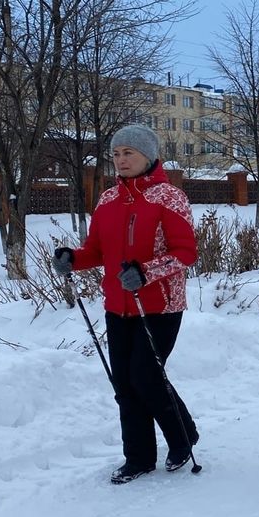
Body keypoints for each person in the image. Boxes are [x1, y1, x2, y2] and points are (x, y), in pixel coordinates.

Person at [51, 124, 199, 484]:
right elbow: (98, 251)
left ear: (147, 156)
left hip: (160, 306)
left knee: (146, 377)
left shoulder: (169, 197)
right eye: (116, 154)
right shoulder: (107, 199)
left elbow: (186, 253)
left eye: (128, 153)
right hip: (118, 305)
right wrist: (73, 258)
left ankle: (182, 437)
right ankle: (138, 457)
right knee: (124, 383)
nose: (120, 160)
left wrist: (146, 272)